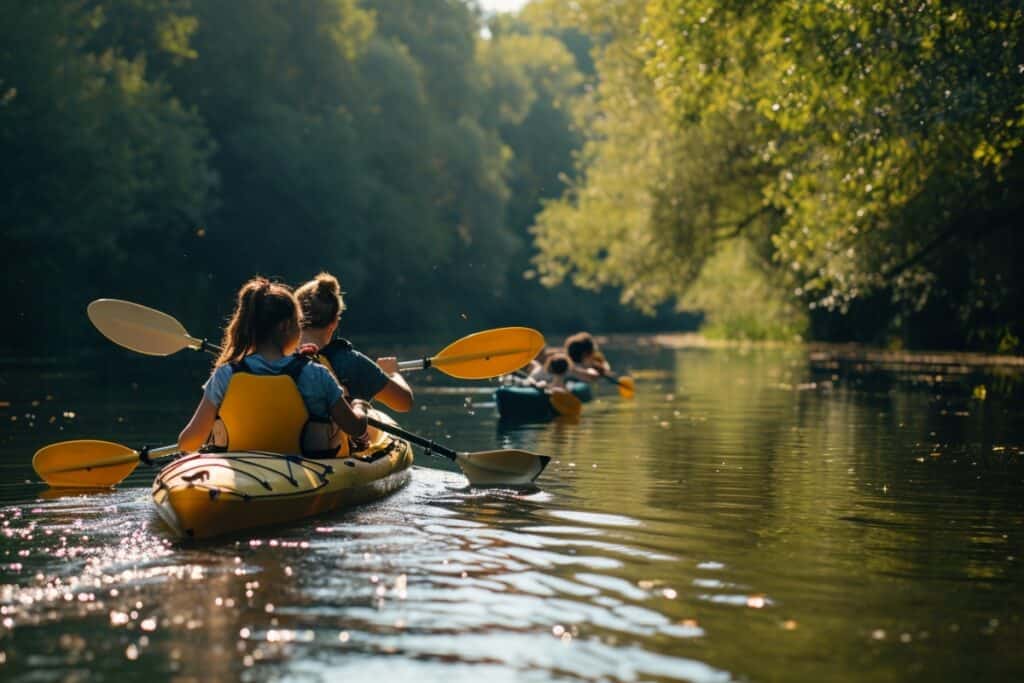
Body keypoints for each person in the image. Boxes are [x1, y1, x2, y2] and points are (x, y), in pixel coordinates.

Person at [178, 277, 369, 456]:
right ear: (286, 326)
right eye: (298, 323)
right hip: (307, 475)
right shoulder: (316, 374)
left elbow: (188, 443)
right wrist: (359, 406)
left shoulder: (224, 375)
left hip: (240, 474)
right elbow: (355, 428)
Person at [294, 272, 413, 412]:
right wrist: (392, 374)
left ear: (295, 316)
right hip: (335, 432)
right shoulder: (351, 362)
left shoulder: (275, 357)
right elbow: (404, 403)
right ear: (335, 322)